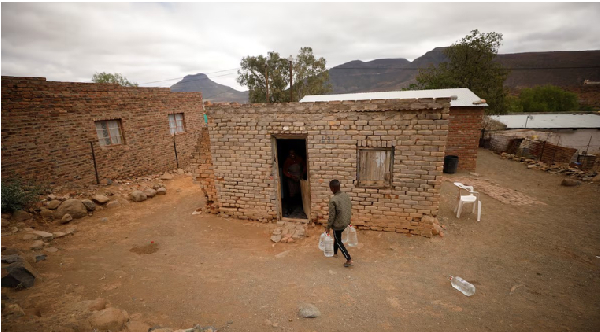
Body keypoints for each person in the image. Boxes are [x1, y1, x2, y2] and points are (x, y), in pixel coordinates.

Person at [326, 179, 353, 267]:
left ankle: (348, 259)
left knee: (338, 241)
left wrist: (328, 226)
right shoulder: (345, 195)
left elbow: (332, 216)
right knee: (337, 238)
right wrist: (348, 220)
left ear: (332, 188)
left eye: (330, 188)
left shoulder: (333, 200)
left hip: (338, 224)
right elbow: (349, 208)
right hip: (346, 221)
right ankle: (335, 253)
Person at [282, 149, 306, 215]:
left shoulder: (299, 159)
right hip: (291, 180)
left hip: (299, 178)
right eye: (290, 154)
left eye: (293, 153)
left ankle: (302, 207)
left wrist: (302, 174)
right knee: (292, 194)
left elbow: (304, 167)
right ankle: (290, 208)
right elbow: (285, 171)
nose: (292, 155)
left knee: (300, 192)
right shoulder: (287, 161)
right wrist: (291, 176)